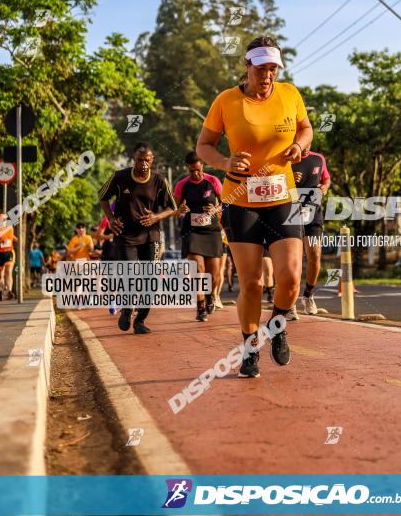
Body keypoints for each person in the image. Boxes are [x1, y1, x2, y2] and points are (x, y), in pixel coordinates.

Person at [196, 35, 313, 378]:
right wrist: (225, 162)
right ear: (247, 66)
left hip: (283, 198)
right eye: (261, 68)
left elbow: (305, 129)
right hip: (241, 202)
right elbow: (203, 146)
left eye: (273, 68)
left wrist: (299, 147)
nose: (267, 76)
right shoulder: (226, 101)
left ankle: (277, 325)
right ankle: (249, 349)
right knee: (251, 283)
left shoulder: (290, 94)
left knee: (290, 277)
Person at [99, 142, 177, 335]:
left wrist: (156, 217)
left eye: (147, 160)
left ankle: (140, 320)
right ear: (133, 159)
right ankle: (126, 309)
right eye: (140, 160)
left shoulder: (160, 181)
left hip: (151, 235)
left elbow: (173, 208)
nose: (143, 164)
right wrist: (110, 219)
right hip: (125, 236)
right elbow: (102, 197)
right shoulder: (119, 177)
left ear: (152, 161)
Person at [173, 152, 223, 322]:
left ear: (203, 165)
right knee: (198, 269)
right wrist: (181, 210)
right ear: (187, 168)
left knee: (214, 274)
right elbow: (174, 209)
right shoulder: (182, 185)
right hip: (192, 231)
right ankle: (200, 306)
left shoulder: (213, 181)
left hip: (212, 231)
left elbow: (225, 202)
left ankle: (210, 296)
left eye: (198, 169)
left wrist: (215, 210)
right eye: (192, 170)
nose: (196, 174)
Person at [291, 148, 331, 315]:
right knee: (294, 261)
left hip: (313, 215)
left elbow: (326, 179)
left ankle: (308, 295)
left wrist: (324, 187)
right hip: (290, 215)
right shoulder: (287, 159)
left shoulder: (319, 158)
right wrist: (289, 180)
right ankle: (289, 302)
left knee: (314, 255)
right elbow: (273, 184)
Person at [0, 214, 17, 300]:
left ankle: (9, 291)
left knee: (9, 272)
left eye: (5, 219)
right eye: (1, 220)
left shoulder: (10, 228)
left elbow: (11, 237)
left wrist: (14, 238)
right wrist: (0, 241)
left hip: (9, 252)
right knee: (0, 275)